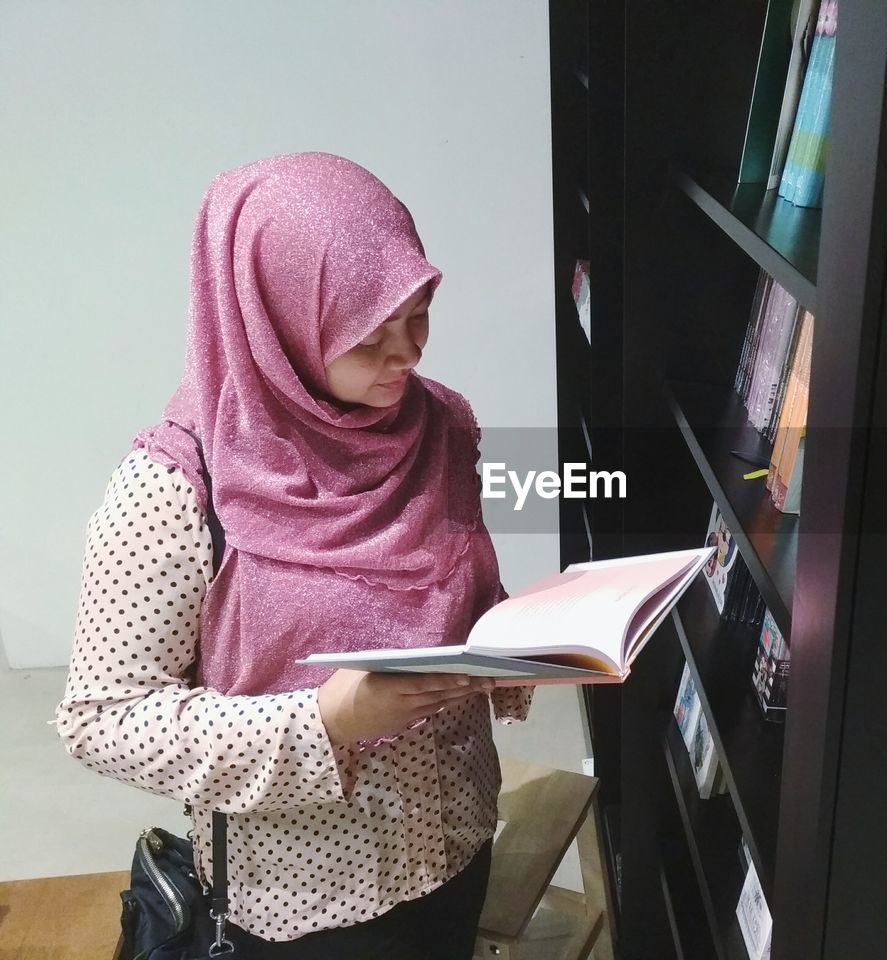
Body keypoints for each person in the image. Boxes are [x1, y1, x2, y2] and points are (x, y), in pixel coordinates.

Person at [54, 152, 534, 959]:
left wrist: (519, 640)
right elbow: (101, 720)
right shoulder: (178, 488)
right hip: (303, 898)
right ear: (275, 324)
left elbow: (452, 594)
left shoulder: (439, 428)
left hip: (454, 841)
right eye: (368, 336)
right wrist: (323, 722)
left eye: (418, 313)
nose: (408, 353)